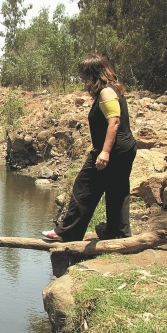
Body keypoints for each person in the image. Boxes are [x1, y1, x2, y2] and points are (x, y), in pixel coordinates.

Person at [42, 54, 137, 242]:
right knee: (117, 190)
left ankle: (66, 232)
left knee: (83, 187)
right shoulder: (113, 90)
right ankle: (118, 234)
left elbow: (114, 122)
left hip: (114, 149)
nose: (82, 79)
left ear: (94, 73)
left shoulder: (106, 93)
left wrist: (105, 152)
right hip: (124, 148)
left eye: (84, 75)